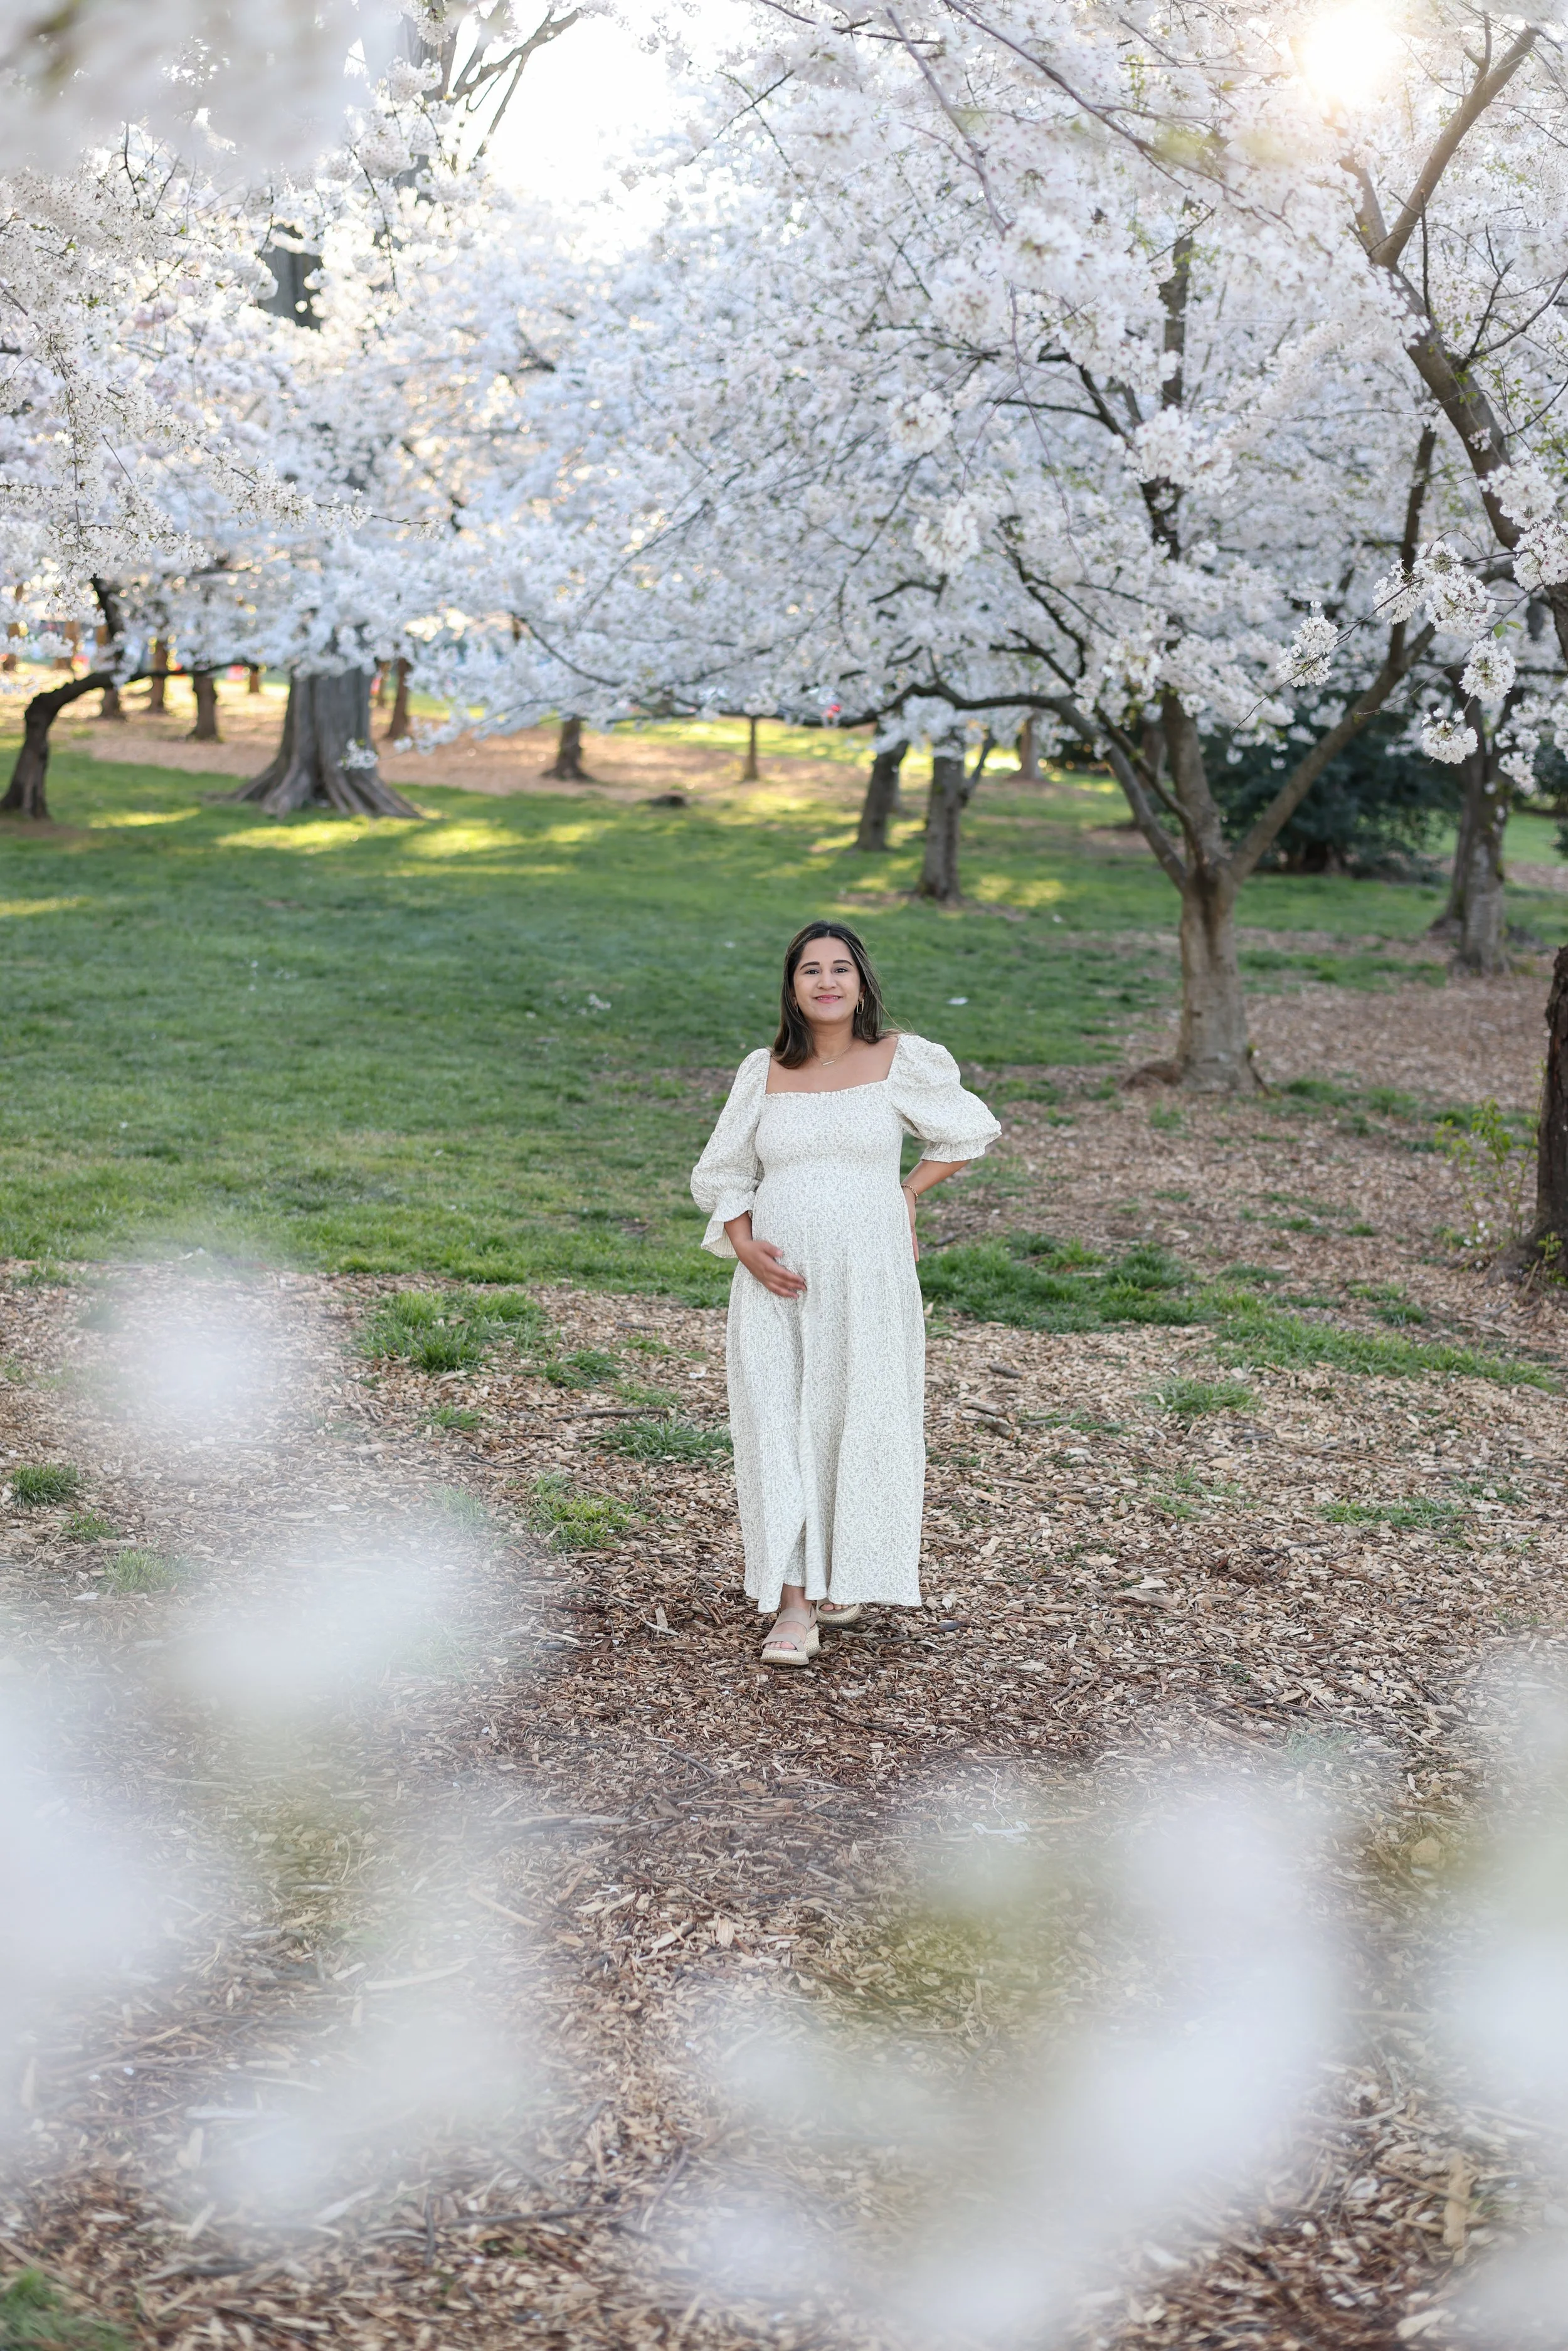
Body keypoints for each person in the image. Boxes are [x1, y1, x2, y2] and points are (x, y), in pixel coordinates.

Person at [691, 922, 1000, 1665]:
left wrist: (905, 1194)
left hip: (869, 1274)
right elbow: (724, 1171)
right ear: (791, 986)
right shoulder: (763, 1070)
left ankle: (845, 1572)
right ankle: (794, 1603)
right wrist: (743, 1244)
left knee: (856, 1415)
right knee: (779, 1422)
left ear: (860, 984)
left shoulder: (898, 1058)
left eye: (839, 969)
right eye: (810, 970)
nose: (825, 981)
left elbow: (967, 1132)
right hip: (778, 1282)